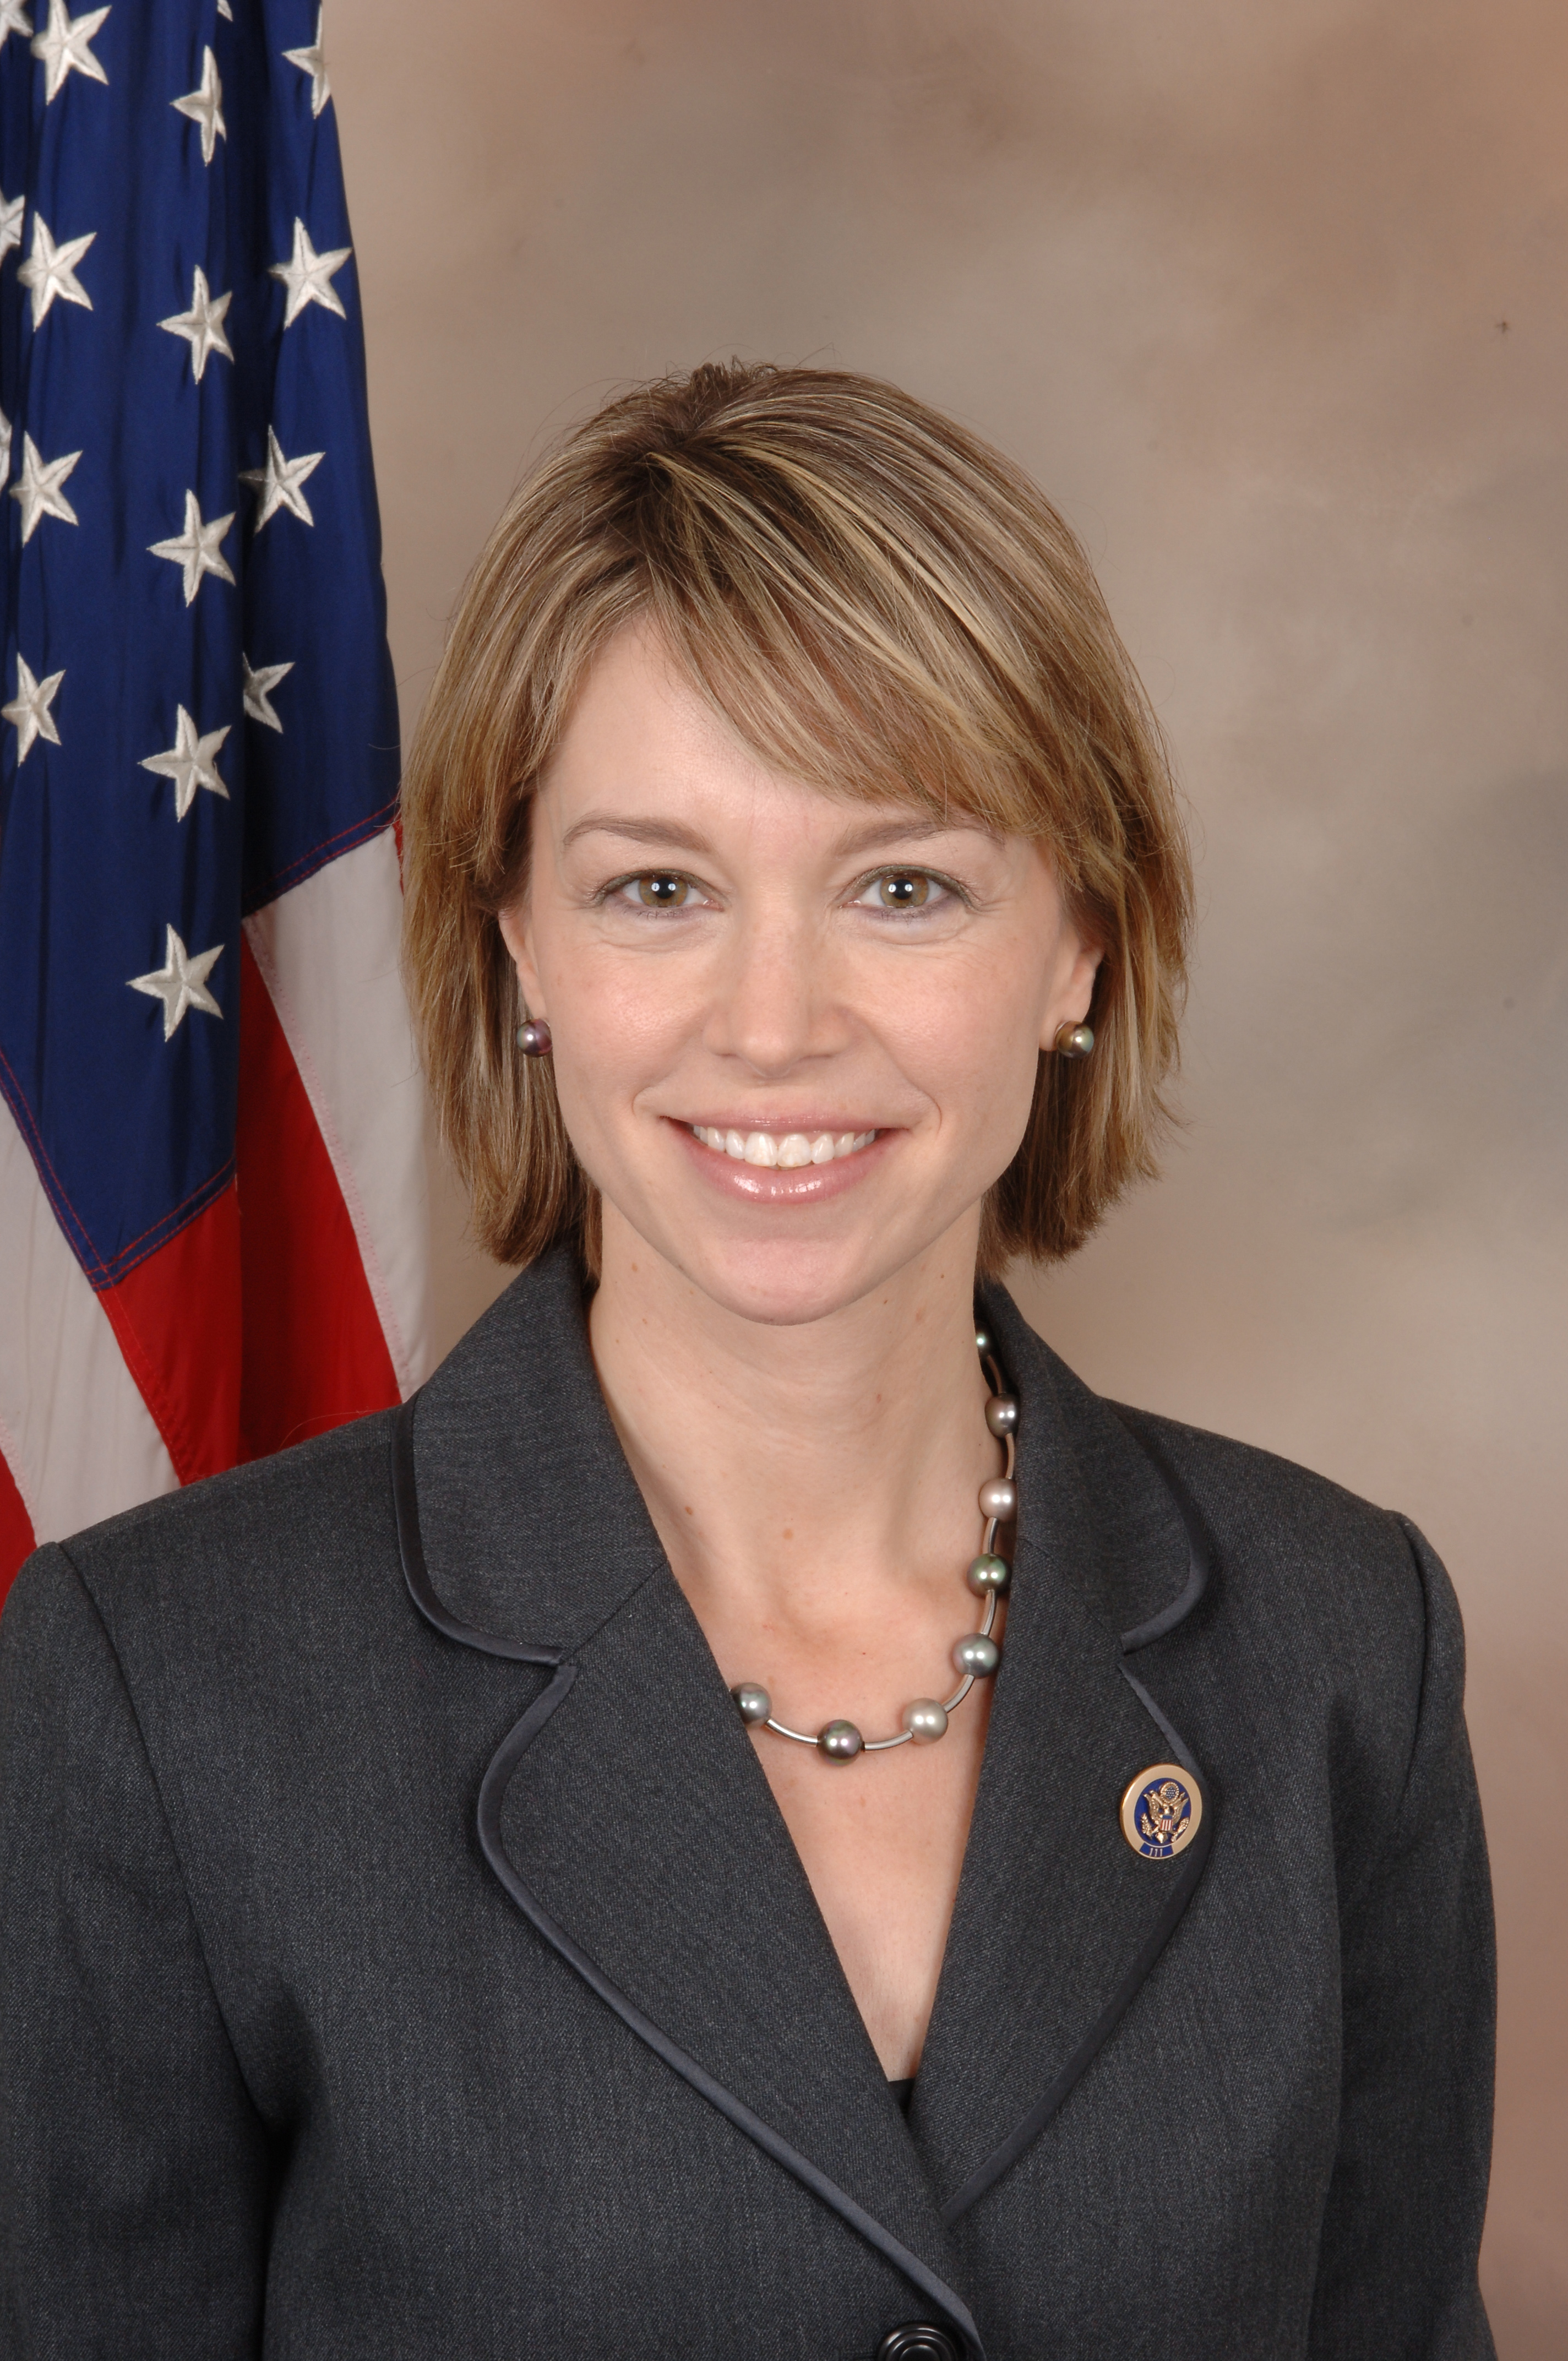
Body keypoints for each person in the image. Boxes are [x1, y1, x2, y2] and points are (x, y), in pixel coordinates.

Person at [0, 363, 1495, 2360]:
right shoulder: (160, 1691)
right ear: (517, 944)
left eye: (903, 886)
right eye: (658, 889)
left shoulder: (1341, 1644)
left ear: (1078, 946)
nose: (774, 1023)